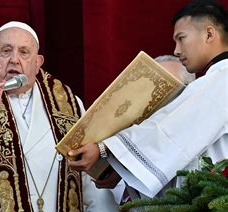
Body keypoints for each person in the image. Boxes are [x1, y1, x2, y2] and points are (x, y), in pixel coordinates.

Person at [0, 21, 119, 212]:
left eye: (24, 52)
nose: (14, 59)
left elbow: (86, 174)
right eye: (6, 51)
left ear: (38, 62)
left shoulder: (70, 104)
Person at [68, 0, 228, 200]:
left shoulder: (221, 79)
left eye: (181, 38)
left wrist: (104, 148)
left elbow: (170, 129)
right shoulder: (216, 79)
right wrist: (122, 167)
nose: (177, 50)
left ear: (209, 34)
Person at [109, 55, 196, 205]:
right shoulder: (121, 145)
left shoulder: (200, 143)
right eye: (153, 92)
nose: (158, 100)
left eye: (170, 91)